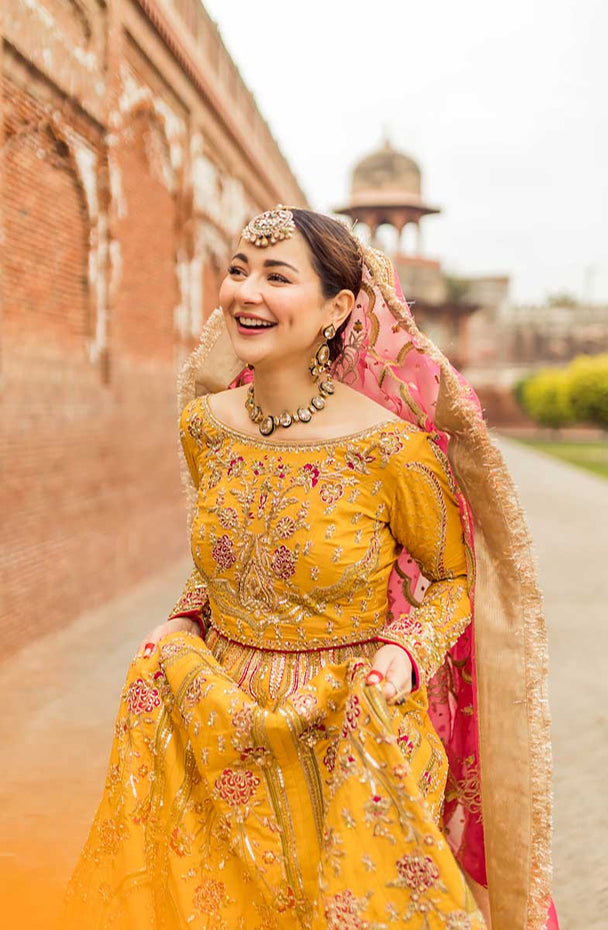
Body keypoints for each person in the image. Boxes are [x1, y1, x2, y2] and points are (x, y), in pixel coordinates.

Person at [63, 208, 558, 929]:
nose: (246, 292)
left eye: (276, 276)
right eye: (236, 271)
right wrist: (184, 617)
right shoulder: (205, 425)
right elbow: (229, 559)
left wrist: (406, 654)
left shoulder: (392, 450)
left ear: (339, 308)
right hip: (212, 731)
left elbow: (456, 580)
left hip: (346, 731)